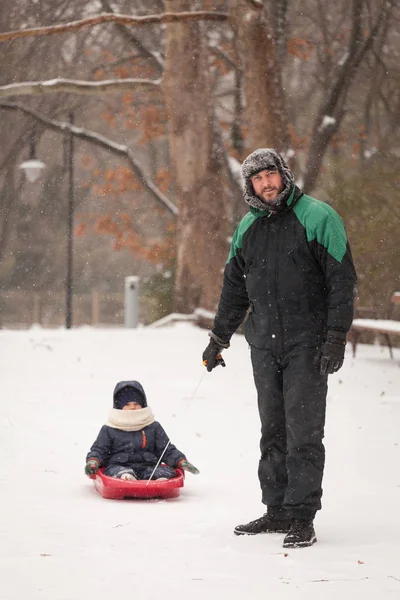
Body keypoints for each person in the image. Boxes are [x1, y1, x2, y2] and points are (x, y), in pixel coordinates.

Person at [202, 148, 357, 548]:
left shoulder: (318, 217)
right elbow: (234, 289)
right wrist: (218, 339)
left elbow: (342, 282)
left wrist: (336, 336)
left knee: (304, 431)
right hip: (263, 344)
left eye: (271, 174)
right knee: (272, 430)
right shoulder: (247, 229)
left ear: (284, 175)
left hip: (309, 343)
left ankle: (302, 515)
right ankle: (277, 510)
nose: (266, 183)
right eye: (257, 178)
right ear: (249, 185)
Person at [85, 380, 199, 481]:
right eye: (127, 404)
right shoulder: (110, 428)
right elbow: (99, 450)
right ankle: (125, 478)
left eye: (136, 404)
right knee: (116, 471)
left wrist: (180, 461)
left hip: (149, 466)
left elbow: (166, 449)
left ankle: (159, 480)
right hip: (119, 465)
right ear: (119, 406)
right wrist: (93, 461)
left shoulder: (152, 426)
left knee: (164, 472)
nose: (133, 407)